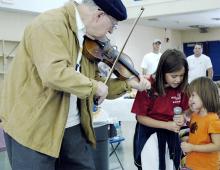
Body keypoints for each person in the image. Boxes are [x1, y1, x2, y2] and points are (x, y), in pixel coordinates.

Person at [0, 0, 150, 170]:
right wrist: (94, 87)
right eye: (113, 25)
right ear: (99, 15)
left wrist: (128, 84)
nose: (110, 32)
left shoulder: (87, 38)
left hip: (72, 126)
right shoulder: (49, 24)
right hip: (35, 128)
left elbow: (96, 84)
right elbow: (53, 73)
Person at [132, 49, 189, 170]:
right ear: (162, 72)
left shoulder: (182, 86)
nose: (178, 80)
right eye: (174, 76)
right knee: (152, 165)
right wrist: (167, 125)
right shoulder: (148, 85)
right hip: (149, 134)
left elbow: (185, 110)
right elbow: (140, 117)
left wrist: (182, 118)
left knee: (170, 165)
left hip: (171, 133)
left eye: (181, 76)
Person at [181, 77, 220, 170]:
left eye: (193, 95)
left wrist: (193, 147)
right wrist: (189, 140)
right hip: (192, 164)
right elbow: (199, 135)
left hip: (207, 167)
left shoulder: (213, 120)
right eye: (189, 95)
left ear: (205, 95)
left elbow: (217, 146)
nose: (189, 99)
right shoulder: (194, 116)